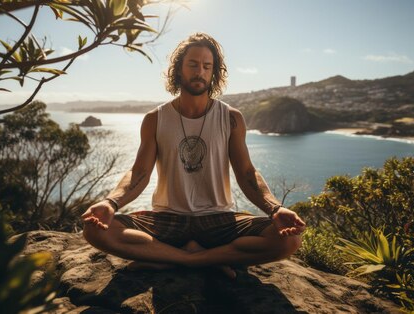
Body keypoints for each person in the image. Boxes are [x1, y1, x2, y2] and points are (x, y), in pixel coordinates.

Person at [81, 32, 306, 278]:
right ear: (178, 70)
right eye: (193, 64)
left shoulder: (231, 118)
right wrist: (109, 202)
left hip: (219, 219)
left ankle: (169, 258)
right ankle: (205, 259)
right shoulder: (155, 119)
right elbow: (140, 172)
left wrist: (275, 209)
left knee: (289, 240)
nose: (200, 71)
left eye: (207, 66)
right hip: (166, 219)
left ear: (214, 72)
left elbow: (246, 173)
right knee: (95, 230)